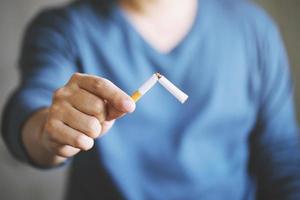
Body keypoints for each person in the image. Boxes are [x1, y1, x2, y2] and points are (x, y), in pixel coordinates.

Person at [2, 0, 300, 199]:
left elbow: (283, 155)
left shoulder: (252, 29)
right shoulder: (65, 28)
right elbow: (30, 109)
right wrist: (48, 131)